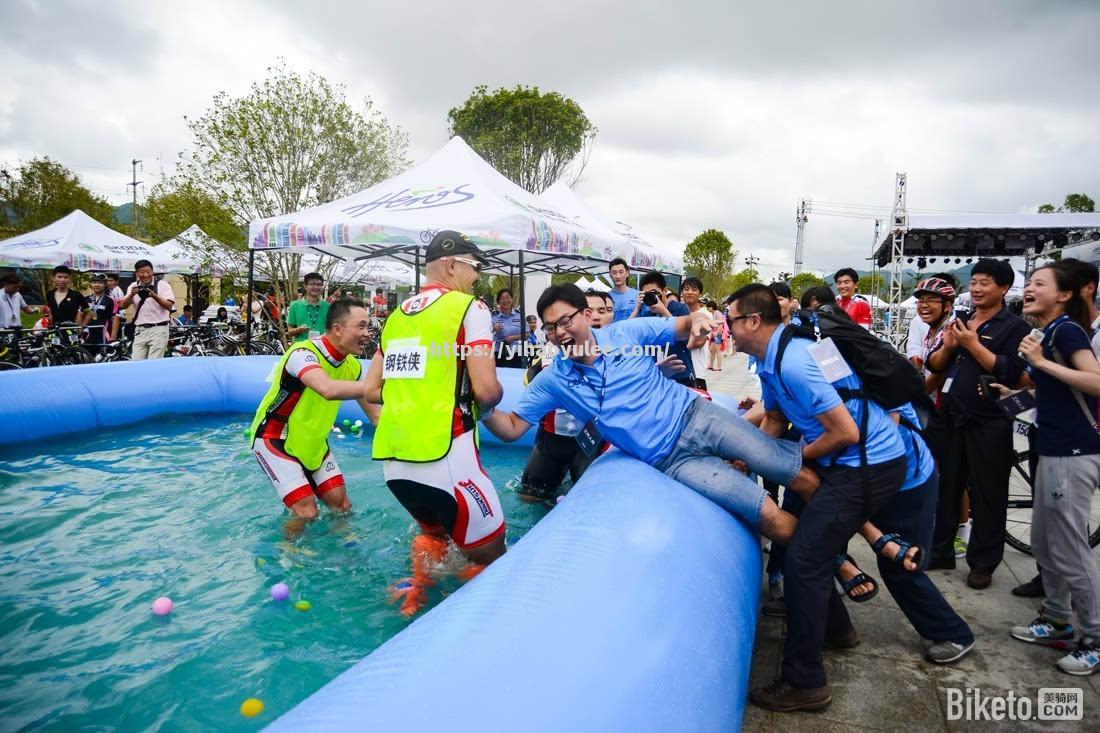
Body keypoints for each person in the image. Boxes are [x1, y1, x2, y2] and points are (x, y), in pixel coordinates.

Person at [483, 283, 824, 544]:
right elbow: (513, 428)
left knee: (798, 475)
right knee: (770, 519)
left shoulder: (626, 334)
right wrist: (484, 410)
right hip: (672, 461)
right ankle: (831, 558)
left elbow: (685, 322)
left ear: (586, 316)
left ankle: (844, 555)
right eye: (550, 327)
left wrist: (700, 321)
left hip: (699, 417)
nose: (559, 333)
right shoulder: (553, 380)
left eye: (565, 321)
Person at [726, 284, 908, 712]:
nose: (725, 328)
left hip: (868, 466)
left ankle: (805, 681)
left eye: (730, 319)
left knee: (805, 560)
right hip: (840, 462)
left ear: (753, 321)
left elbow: (846, 432)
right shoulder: (768, 359)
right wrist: (744, 459)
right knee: (795, 543)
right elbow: (772, 418)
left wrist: (791, 460)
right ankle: (837, 629)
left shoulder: (794, 362)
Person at [364, 230, 506, 617]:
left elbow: (370, 389)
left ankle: (415, 594)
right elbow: (487, 391)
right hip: (447, 460)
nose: (478, 277)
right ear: (451, 264)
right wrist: (490, 401)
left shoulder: (395, 317)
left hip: (395, 466)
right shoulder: (469, 308)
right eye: (475, 268)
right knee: (495, 561)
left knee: (434, 535)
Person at [1007, 263, 1100, 676]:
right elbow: (1055, 389)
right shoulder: (1046, 333)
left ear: (1064, 295)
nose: (1028, 288)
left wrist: (1041, 363)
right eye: (1028, 283)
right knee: (1046, 543)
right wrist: (1014, 392)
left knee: (1070, 548)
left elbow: (1095, 381)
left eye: (1038, 283)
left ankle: (1095, 636)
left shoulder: (1068, 331)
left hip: (1074, 452)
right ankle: (1057, 620)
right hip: (1053, 447)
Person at [925, 259, 1031, 588]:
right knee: (946, 488)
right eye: (973, 282)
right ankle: (940, 550)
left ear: (1003, 288)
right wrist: (951, 345)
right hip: (953, 414)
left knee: (987, 493)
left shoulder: (1014, 327)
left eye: (985, 282)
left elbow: (1012, 372)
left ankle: (982, 562)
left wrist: (973, 344)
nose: (976, 288)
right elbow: (936, 363)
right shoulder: (961, 320)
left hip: (989, 420)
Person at [249, 298, 370, 537]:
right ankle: (286, 556)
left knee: (342, 506)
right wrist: (380, 386)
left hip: (314, 443)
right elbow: (326, 388)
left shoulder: (352, 366)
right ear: (337, 329)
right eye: (361, 326)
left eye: (368, 327)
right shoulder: (303, 353)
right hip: (275, 439)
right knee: (306, 512)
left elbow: (375, 415)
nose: (367, 334)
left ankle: (346, 551)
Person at [631, 271, 700, 387]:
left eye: (654, 293)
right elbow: (628, 333)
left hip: (681, 374)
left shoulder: (680, 309)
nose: (651, 297)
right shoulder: (646, 314)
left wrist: (663, 310)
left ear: (664, 291)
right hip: (656, 376)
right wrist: (637, 308)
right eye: (646, 294)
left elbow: (687, 337)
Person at [119, 259, 175, 360]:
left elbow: (169, 306)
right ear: (136, 273)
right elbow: (123, 305)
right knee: (136, 363)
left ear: (152, 271)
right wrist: (131, 294)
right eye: (141, 272)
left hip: (159, 329)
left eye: (148, 272)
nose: (145, 275)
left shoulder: (162, 284)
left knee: (154, 364)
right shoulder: (133, 286)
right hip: (140, 330)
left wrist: (153, 295)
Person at [286, 272, 331, 343]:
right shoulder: (295, 305)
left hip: (323, 348)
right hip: (301, 349)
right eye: (312, 284)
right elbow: (290, 332)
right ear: (305, 286)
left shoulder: (328, 306)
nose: (316, 287)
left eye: (319, 284)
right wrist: (299, 329)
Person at [85, 273, 119, 353]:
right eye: (94, 282)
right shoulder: (86, 299)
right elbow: (80, 316)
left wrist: (113, 337)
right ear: (91, 284)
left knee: (102, 359)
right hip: (88, 334)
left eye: (100, 283)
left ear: (105, 284)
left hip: (103, 334)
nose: (97, 285)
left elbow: (115, 319)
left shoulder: (110, 300)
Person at [491, 288, 524, 368]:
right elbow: (486, 332)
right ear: (498, 302)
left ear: (512, 299)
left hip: (515, 352)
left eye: (508, 297)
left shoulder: (520, 315)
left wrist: (513, 337)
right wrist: (494, 328)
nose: (505, 300)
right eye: (502, 298)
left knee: (515, 377)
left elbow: (527, 333)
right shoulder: (493, 316)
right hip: (499, 352)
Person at [607, 257, 638, 323]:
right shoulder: (606, 298)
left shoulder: (637, 295)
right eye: (614, 272)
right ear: (610, 274)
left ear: (627, 273)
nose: (618, 276)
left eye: (621, 272)